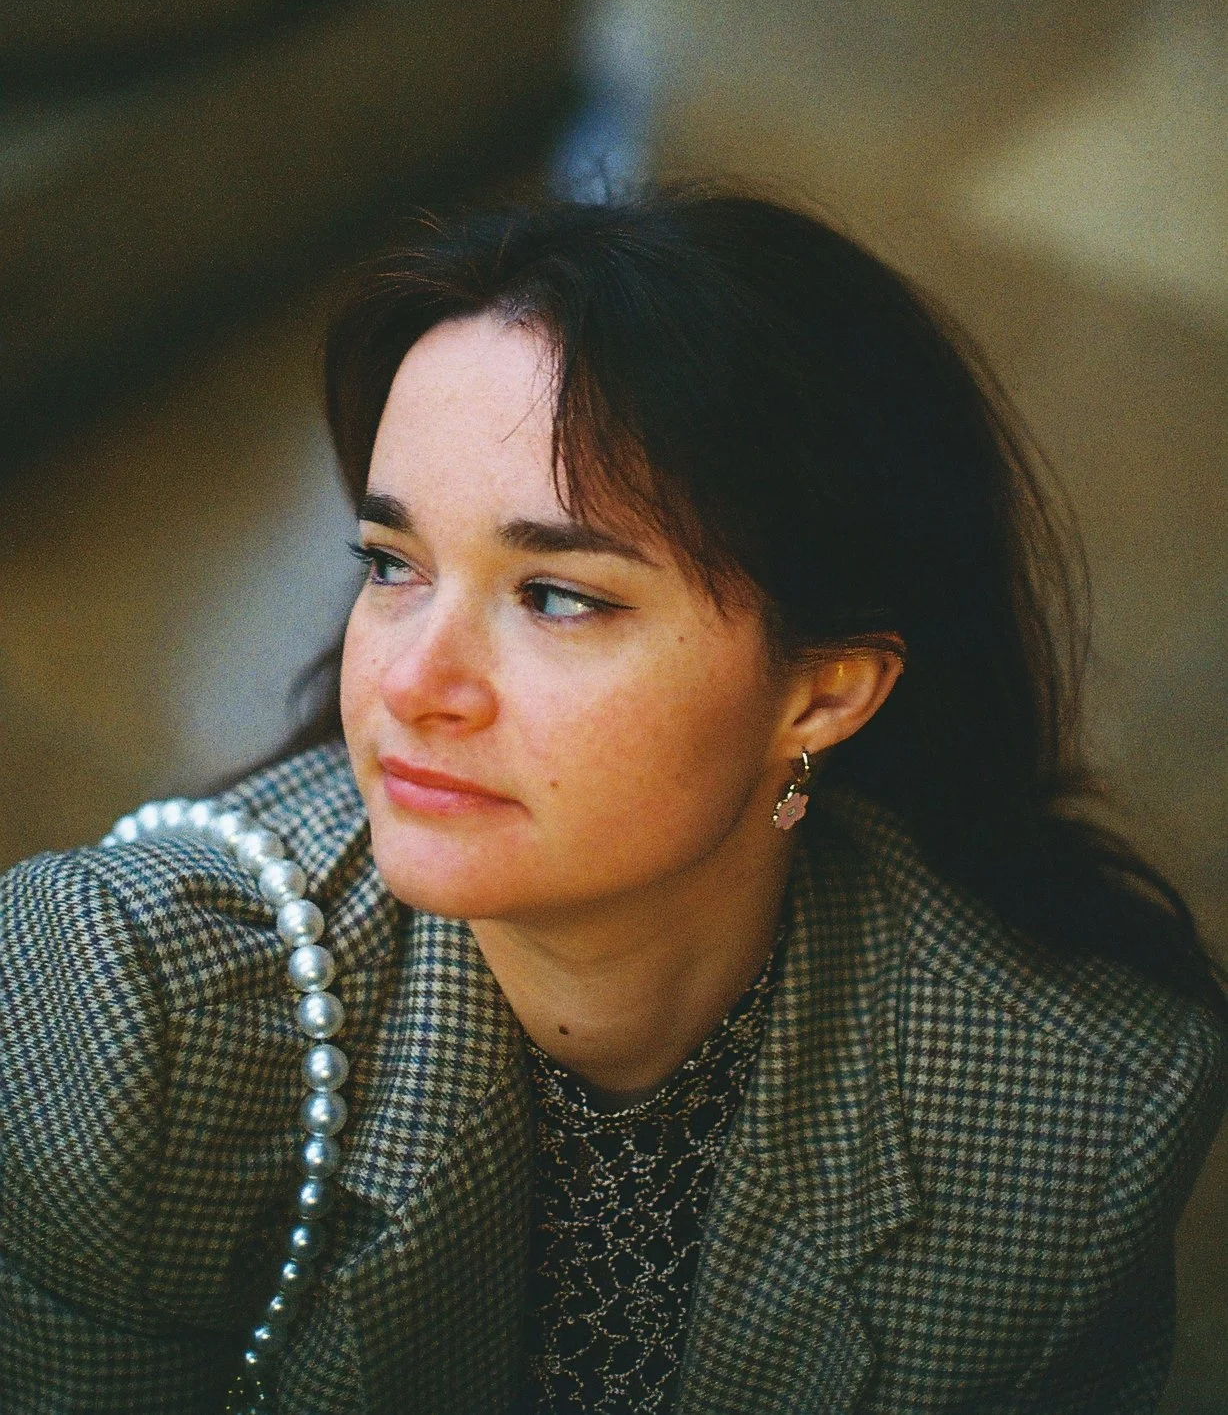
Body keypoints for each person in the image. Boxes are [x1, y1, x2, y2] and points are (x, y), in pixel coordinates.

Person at [1, 182, 1224, 1415]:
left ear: (825, 692)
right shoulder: (129, 1016)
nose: (414, 682)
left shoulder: (1075, 1108)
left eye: (558, 595)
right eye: (391, 565)